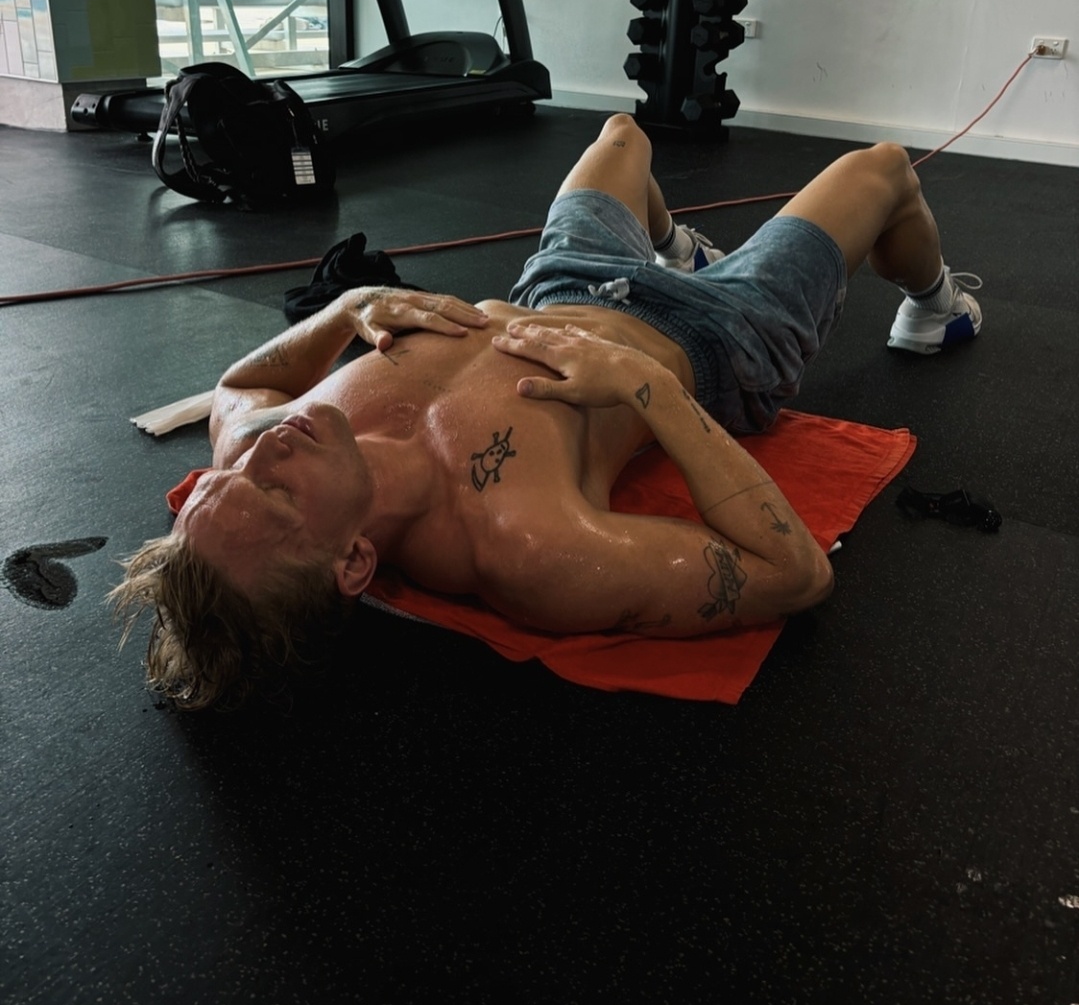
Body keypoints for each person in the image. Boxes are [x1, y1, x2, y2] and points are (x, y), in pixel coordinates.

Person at [112, 116, 981, 710]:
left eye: (225, 478)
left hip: (561, 285)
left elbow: (239, 389)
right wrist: (647, 387)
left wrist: (346, 309)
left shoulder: (259, 445)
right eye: (273, 491)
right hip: (718, 337)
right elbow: (795, 576)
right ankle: (937, 306)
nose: (263, 452)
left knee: (622, 136)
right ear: (354, 562)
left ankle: (677, 247)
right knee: (880, 168)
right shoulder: (526, 545)